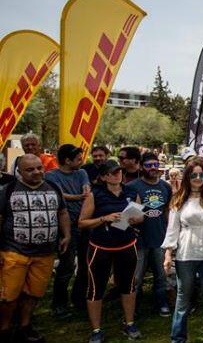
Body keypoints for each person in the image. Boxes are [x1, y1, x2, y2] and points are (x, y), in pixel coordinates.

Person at [0, 154, 70, 342]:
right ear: (19, 171)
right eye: (30, 169)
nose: (36, 172)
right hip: (14, 252)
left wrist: (67, 235)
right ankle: (4, 328)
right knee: (9, 295)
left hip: (45, 253)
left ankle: (25, 326)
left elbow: (62, 212)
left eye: (39, 168)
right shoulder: (8, 190)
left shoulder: (54, 188)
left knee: (34, 293)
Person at [162, 158, 203, 343]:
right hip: (186, 253)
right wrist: (168, 254)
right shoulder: (178, 199)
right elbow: (172, 229)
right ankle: (178, 338)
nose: (198, 178)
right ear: (187, 177)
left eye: (201, 175)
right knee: (183, 298)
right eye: (194, 175)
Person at [78, 160, 144, 343]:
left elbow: (139, 216)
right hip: (101, 247)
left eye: (120, 171)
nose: (118, 175)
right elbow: (82, 222)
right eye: (114, 172)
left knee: (128, 286)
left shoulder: (131, 191)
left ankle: (129, 323)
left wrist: (134, 219)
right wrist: (104, 218)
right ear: (104, 176)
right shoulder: (95, 194)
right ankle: (96, 330)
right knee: (95, 288)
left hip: (126, 245)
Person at [46, 144, 91, 318]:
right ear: (67, 160)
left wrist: (84, 194)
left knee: (85, 265)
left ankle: (79, 299)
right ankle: (59, 305)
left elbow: (86, 189)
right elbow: (59, 195)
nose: (82, 161)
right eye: (78, 159)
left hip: (84, 223)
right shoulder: (51, 176)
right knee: (66, 266)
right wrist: (80, 197)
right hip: (66, 226)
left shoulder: (82, 173)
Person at [130, 152, 173, 317]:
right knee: (136, 277)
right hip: (138, 240)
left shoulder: (165, 186)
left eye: (156, 164)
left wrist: (170, 231)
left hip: (160, 238)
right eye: (149, 165)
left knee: (161, 275)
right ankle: (133, 307)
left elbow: (168, 210)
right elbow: (128, 214)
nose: (153, 168)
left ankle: (161, 303)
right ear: (142, 167)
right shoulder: (133, 186)